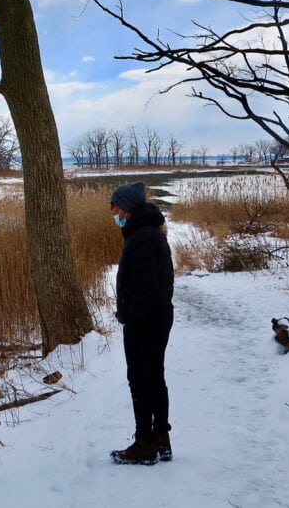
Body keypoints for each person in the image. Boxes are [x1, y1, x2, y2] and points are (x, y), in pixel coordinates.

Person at [108, 181, 175, 466]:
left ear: (127, 207)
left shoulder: (143, 237)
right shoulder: (146, 232)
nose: (112, 211)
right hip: (156, 318)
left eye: (114, 206)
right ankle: (161, 438)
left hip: (145, 322)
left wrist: (131, 318)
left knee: (140, 380)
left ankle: (145, 443)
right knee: (154, 378)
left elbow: (146, 288)